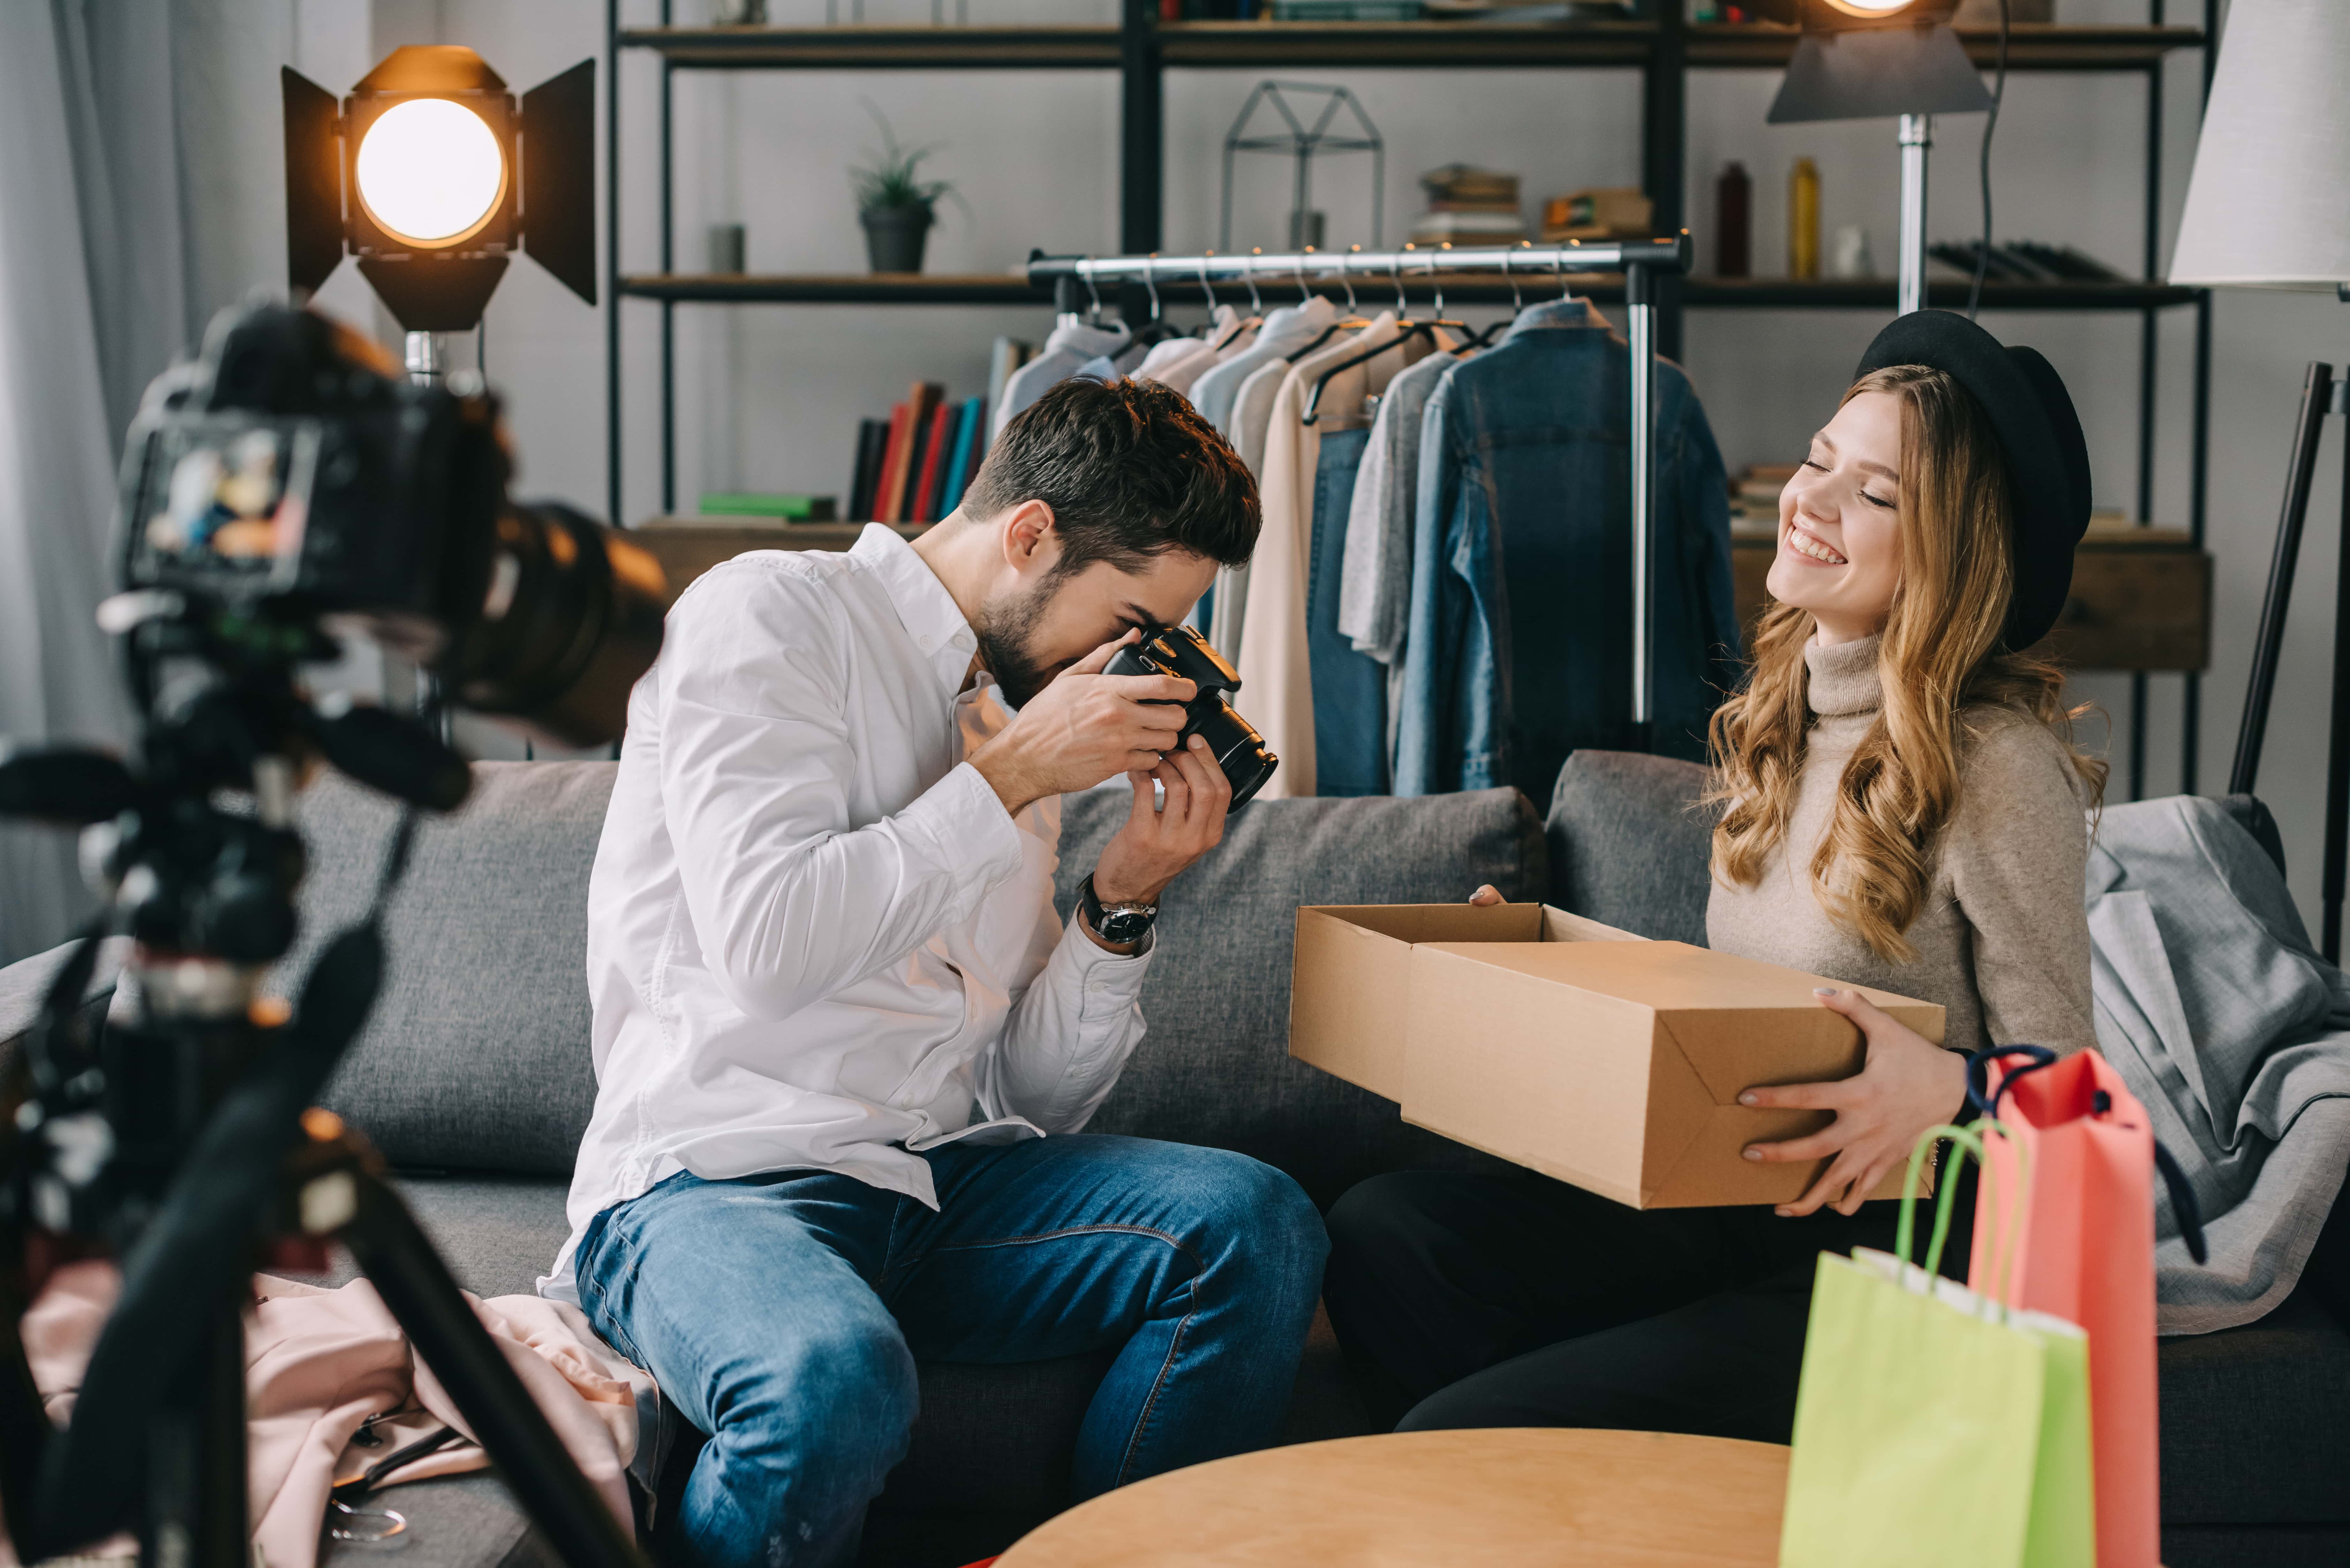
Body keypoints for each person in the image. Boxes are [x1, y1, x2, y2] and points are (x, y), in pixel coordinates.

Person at [545, 377, 1328, 1567]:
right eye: (1127, 619)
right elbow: (769, 946)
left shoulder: (1010, 721)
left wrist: (1123, 898)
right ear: (1030, 538)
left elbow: (1030, 1105)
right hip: (709, 1186)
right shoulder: (769, 617)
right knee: (832, 1382)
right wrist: (1010, 778)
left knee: (1256, 1223)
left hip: (926, 1188)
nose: (1130, 661)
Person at [1320, 311, 2107, 1437]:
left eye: (1876, 496)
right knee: (1386, 1231)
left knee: (1461, 1430)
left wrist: (1953, 1089)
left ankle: (1518, 1464)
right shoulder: (1775, 723)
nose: (1812, 501)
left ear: (1954, 552)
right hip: (1738, 1205)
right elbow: (1746, 1015)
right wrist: (1540, 989)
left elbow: (2077, 1105)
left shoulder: (1997, 768)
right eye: (1819, 461)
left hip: (1902, 1262)